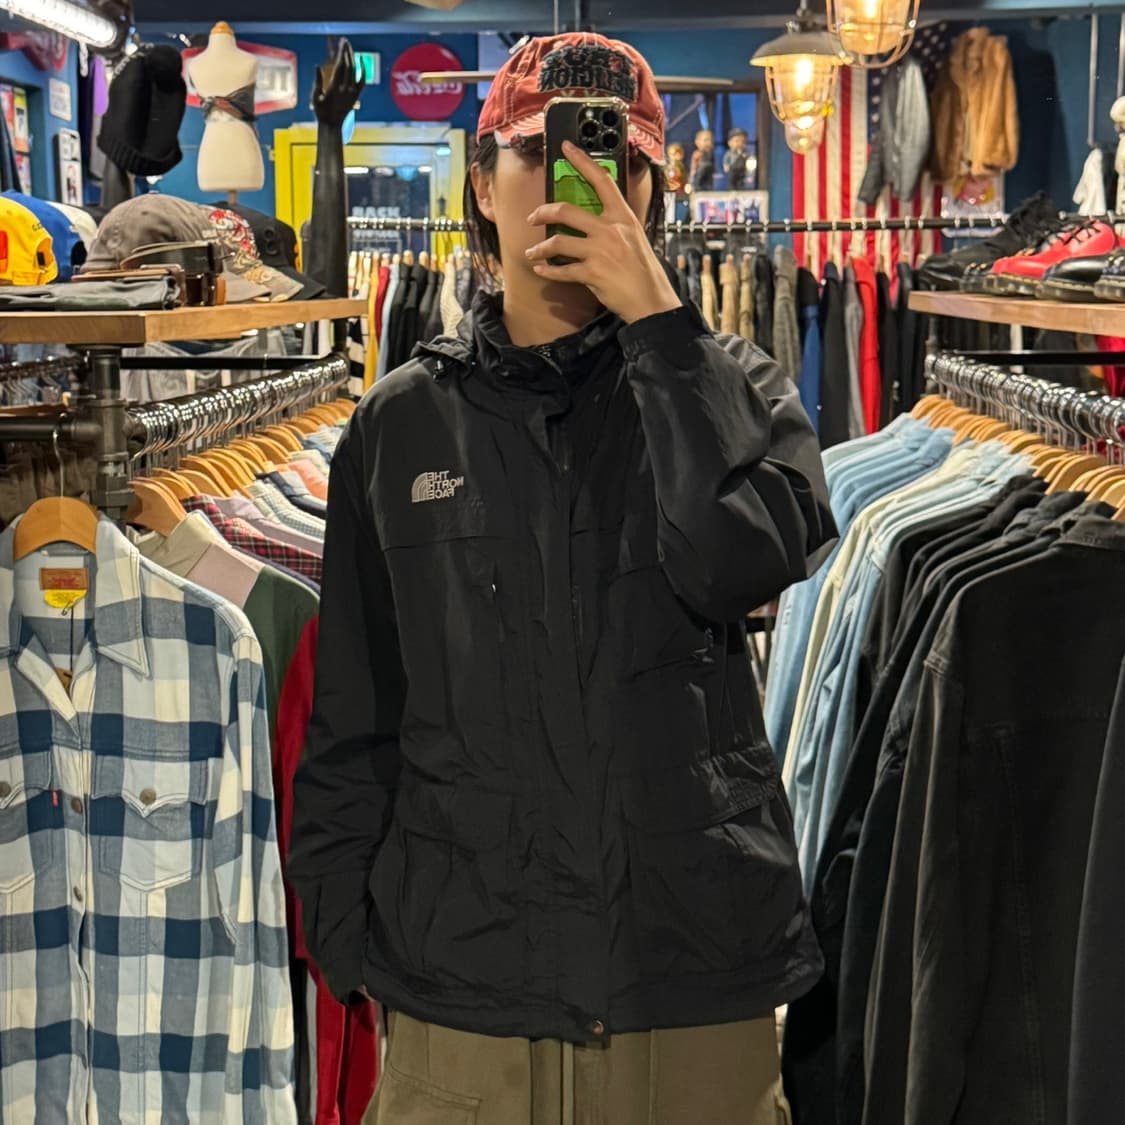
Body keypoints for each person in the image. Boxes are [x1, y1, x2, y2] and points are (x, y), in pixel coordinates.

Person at [289, 31, 836, 1125]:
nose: (573, 183)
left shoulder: (737, 390)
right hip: (463, 990)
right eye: (539, 153)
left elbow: (737, 567)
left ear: (652, 195)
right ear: (481, 183)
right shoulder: (398, 426)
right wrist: (346, 945)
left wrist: (664, 332)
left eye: (613, 160)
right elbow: (355, 715)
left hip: (688, 985)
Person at [689, 126, 715, 192]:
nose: (708, 143)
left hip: (708, 177)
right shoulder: (697, 154)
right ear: (697, 142)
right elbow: (693, 166)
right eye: (705, 140)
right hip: (699, 176)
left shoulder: (711, 154)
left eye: (710, 140)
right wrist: (693, 174)